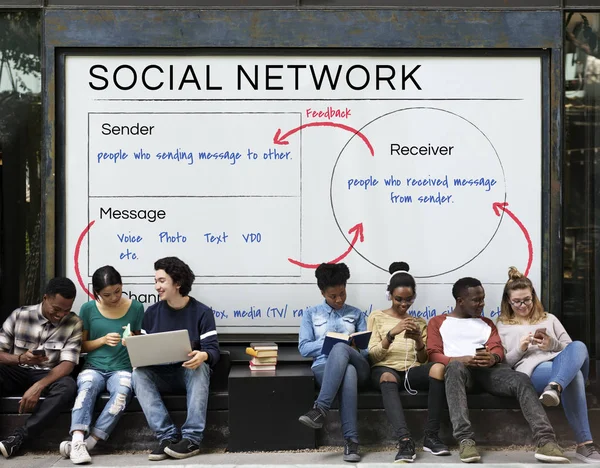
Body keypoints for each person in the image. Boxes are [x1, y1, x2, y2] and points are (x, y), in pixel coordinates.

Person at [427, 277, 568, 464]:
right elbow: (433, 354)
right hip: (460, 372)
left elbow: (497, 349)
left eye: (483, 299)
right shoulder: (438, 322)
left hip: (489, 372)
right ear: (460, 301)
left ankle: (546, 441)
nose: (482, 304)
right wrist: (460, 359)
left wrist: (492, 358)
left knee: (521, 379)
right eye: (476, 300)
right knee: (453, 368)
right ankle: (465, 440)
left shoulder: (487, 323)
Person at [497, 266, 600, 463]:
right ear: (508, 301)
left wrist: (552, 344)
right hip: (533, 370)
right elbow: (504, 364)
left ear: (533, 296)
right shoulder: (502, 325)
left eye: (526, 300)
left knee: (579, 345)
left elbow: (573, 350)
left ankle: (555, 386)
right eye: (516, 301)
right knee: (575, 376)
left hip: (560, 364)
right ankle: (585, 445)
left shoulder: (549, 318)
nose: (522, 305)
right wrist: (521, 348)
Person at [132, 257, 220, 461]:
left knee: (200, 367)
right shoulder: (151, 313)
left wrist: (203, 355)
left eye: (162, 281)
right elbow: (145, 351)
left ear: (177, 283)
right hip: (161, 374)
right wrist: (135, 348)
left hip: (188, 373)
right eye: (156, 281)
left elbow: (213, 351)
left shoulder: (202, 312)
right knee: (138, 374)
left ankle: (191, 439)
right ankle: (167, 437)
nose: (157, 287)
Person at [59, 266, 144, 464]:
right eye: (107, 294)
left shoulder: (137, 308)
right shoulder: (88, 309)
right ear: (96, 293)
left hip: (123, 368)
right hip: (94, 367)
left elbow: (140, 345)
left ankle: (90, 443)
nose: (114, 297)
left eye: (118, 291)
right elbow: (80, 346)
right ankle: (78, 440)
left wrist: (132, 340)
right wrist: (103, 340)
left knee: (121, 395)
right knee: (86, 389)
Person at [367, 261, 449, 462]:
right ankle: (404, 440)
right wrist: (391, 334)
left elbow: (423, 360)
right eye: (398, 299)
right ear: (389, 296)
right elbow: (372, 356)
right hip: (385, 369)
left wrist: (419, 341)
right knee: (387, 376)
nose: (404, 304)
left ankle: (431, 436)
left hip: (411, 371)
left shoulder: (419, 322)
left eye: (409, 299)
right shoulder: (376, 316)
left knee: (438, 368)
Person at [0, 277, 82, 459]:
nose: (61, 315)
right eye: (56, 309)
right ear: (45, 298)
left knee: (68, 386)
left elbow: (68, 364)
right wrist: (20, 358)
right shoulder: (20, 315)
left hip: (47, 375)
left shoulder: (74, 323)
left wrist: (39, 386)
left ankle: (19, 437)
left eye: (66, 310)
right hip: (16, 370)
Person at [298, 263, 369, 463]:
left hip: (360, 364)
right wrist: (330, 340)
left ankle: (320, 409)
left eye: (342, 293)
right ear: (322, 292)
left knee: (343, 353)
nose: (339, 300)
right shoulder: (311, 314)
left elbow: (366, 352)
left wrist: (349, 346)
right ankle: (351, 441)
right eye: (333, 296)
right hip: (325, 367)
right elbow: (304, 348)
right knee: (347, 372)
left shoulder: (356, 314)